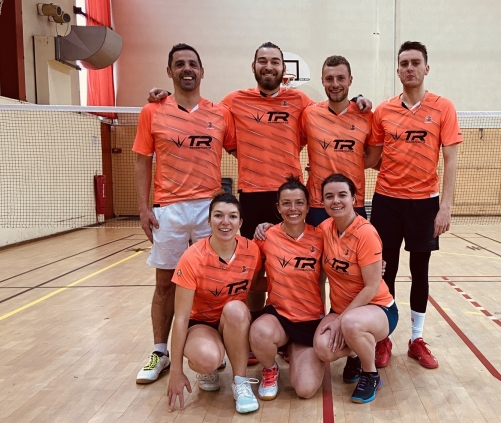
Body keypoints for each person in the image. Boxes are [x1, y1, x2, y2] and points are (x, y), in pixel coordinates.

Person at [148, 42, 373, 364]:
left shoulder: (300, 101)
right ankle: (255, 334)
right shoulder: (233, 102)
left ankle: (311, 322)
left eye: (275, 61)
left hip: (292, 197)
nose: (269, 66)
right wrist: (163, 97)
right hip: (252, 196)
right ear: (254, 66)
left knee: (306, 264)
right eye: (263, 61)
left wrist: (358, 99)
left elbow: (332, 107)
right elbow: (207, 119)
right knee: (253, 270)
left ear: (285, 69)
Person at [133, 43, 236, 384]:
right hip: (169, 210)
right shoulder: (153, 110)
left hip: (209, 209)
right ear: (169, 72)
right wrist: (143, 207)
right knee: (165, 284)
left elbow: (241, 148)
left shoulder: (220, 113)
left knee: (212, 284)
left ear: (203, 72)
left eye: (193, 63)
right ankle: (160, 352)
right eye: (179, 64)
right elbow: (142, 160)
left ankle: (211, 353)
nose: (186, 69)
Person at [365, 41, 462, 369]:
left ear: (426, 68)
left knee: (420, 272)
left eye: (415, 62)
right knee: (384, 272)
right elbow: (374, 158)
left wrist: (445, 206)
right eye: (404, 63)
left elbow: (450, 160)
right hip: (387, 203)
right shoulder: (382, 111)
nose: (409, 68)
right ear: (397, 70)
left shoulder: (443, 108)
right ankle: (383, 338)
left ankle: (416, 339)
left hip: (425, 204)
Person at [167, 192, 262, 414]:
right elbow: (180, 318)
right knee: (207, 359)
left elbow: (259, 284)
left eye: (232, 216)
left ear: (241, 222)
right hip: (201, 324)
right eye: (218, 215)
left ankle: (240, 382)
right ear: (209, 221)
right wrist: (176, 371)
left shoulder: (252, 250)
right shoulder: (192, 257)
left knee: (236, 309)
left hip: (233, 320)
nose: (225, 222)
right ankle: (210, 366)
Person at [313, 174, 398, 404]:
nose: (336, 201)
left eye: (342, 195)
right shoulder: (324, 228)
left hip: (379, 308)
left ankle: (371, 374)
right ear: (322, 202)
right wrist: (265, 228)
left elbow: (371, 287)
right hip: (342, 309)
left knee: (351, 324)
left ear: (354, 198)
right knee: (323, 348)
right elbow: (296, 235)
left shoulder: (366, 233)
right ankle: (355, 353)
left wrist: (342, 319)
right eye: (329, 196)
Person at [249, 175, 325, 401]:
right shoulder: (266, 236)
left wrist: (377, 264)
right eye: (286, 203)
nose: (293, 208)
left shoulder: (321, 237)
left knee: (305, 390)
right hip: (279, 317)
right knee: (259, 331)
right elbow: (251, 281)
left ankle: (293, 349)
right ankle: (270, 369)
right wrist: (276, 282)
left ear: (308, 206)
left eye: (299, 202)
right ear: (278, 207)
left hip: (310, 320)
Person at [301, 55, 373, 227]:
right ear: (322, 81)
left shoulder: (366, 116)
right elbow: (292, 146)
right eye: (329, 79)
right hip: (318, 204)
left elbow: (373, 158)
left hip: (354, 203)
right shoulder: (309, 114)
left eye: (341, 78)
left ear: (350, 80)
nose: (335, 84)